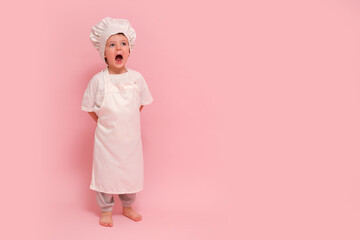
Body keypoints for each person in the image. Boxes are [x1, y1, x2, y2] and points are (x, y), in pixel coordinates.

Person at [81, 17, 153, 227]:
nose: (118, 48)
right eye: (111, 44)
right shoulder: (98, 81)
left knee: (130, 174)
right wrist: (104, 123)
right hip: (107, 141)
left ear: (129, 50)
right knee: (106, 174)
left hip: (130, 141)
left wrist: (127, 120)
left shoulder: (137, 79)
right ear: (104, 52)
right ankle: (105, 209)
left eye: (123, 44)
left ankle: (128, 206)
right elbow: (89, 109)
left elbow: (140, 104)